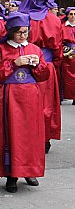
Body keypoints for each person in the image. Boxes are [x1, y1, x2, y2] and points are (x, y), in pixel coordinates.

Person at [0, 11, 50, 192]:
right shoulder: (3, 49)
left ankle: (30, 171)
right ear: (11, 31)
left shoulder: (35, 49)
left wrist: (38, 65)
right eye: (19, 32)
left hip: (31, 98)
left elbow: (44, 76)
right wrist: (15, 63)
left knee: (31, 135)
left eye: (26, 32)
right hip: (10, 97)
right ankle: (11, 175)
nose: (23, 36)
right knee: (13, 135)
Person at [19, 0, 62, 153]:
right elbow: (58, 47)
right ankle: (44, 138)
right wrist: (54, 64)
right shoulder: (54, 20)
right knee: (46, 104)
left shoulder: (22, 18)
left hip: (24, 65)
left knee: (24, 103)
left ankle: (24, 137)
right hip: (47, 65)